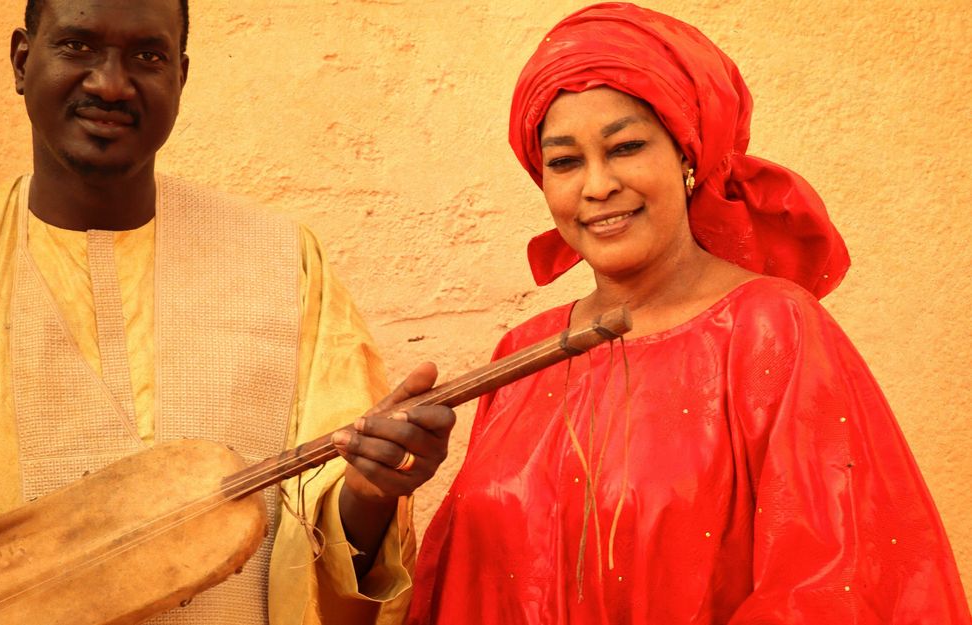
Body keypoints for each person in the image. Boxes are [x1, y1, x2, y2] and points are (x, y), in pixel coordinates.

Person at [0, 1, 455, 623]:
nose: (111, 83)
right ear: (23, 60)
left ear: (180, 75)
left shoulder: (285, 263)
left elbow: (342, 516)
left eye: (146, 55)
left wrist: (367, 493)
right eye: (78, 46)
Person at [406, 3, 971, 623]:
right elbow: (468, 585)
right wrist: (372, 499)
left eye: (625, 147)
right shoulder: (523, 352)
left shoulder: (771, 327)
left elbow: (833, 585)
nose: (596, 186)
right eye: (564, 161)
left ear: (687, 154)